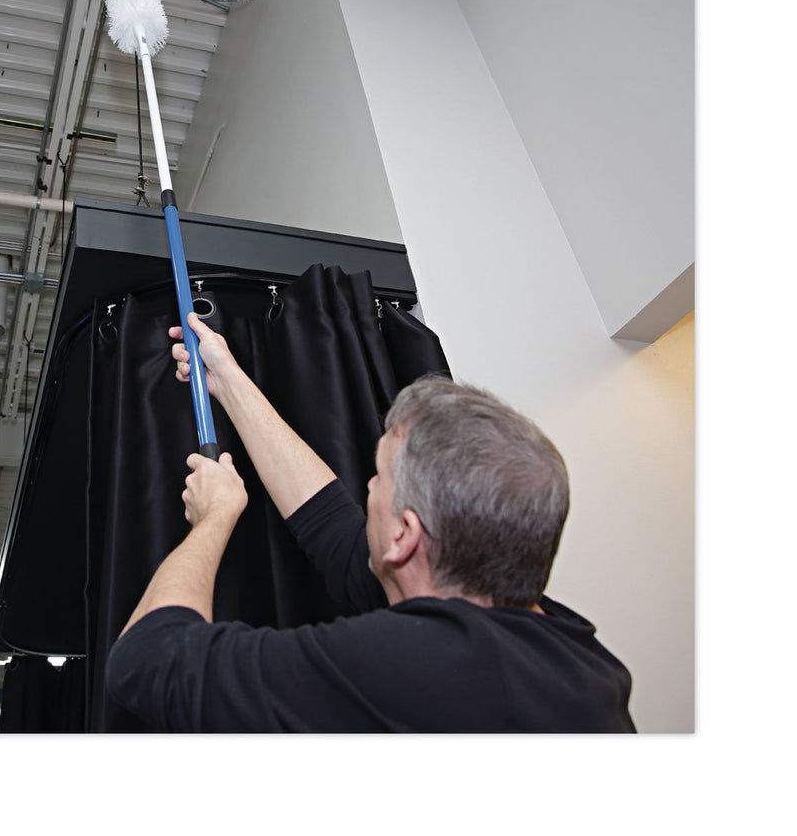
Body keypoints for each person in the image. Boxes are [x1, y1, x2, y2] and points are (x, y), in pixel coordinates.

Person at [105, 313, 636, 732]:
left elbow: (146, 660)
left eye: (379, 478)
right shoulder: (580, 661)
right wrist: (228, 380)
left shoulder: (412, 667)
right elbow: (334, 532)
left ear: (405, 536)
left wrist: (213, 519)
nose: (367, 488)